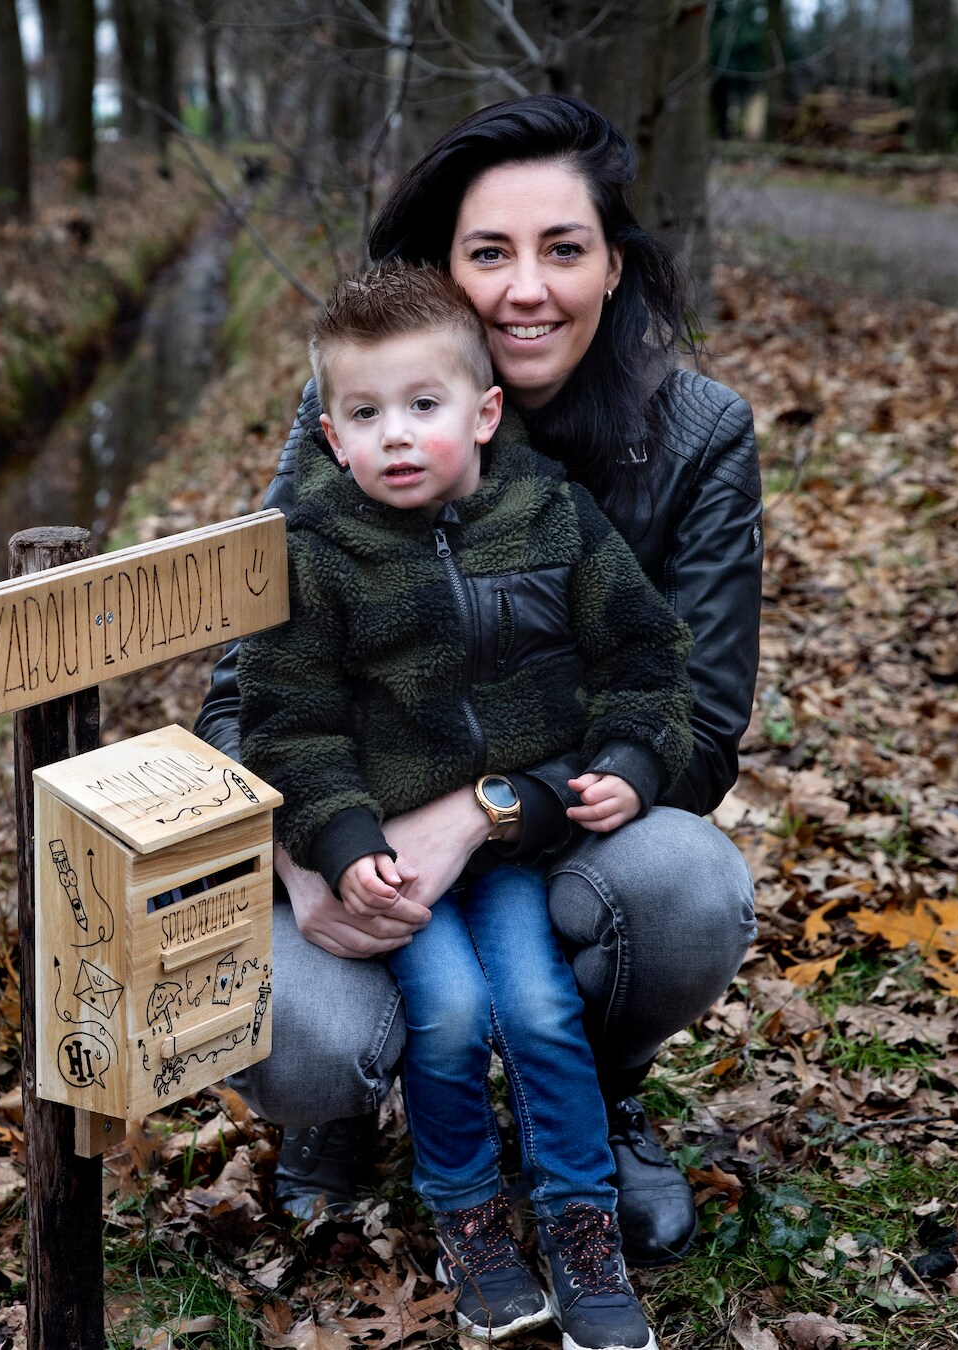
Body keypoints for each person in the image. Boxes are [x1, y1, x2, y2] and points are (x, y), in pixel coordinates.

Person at [194, 94, 762, 1266]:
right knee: (290, 1026)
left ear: (613, 266)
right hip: (367, 830)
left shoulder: (698, 436)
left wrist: (491, 809)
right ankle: (350, 1102)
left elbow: (701, 727)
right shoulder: (363, 414)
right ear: (446, 272)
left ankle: (598, 1090)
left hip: (568, 834)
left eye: (564, 249)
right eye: (490, 253)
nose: (526, 290)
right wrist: (304, 861)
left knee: (694, 886)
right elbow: (240, 695)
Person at [238, 261, 688, 1348]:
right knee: (445, 1013)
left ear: (484, 415)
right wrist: (342, 841)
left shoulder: (553, 518)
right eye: (365, 415)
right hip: (397, 860)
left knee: (537, 1009)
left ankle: (581, 1224)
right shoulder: (314, 556)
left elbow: (645, 654)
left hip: (520, 845)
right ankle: (469, 1221)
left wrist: (631, 755)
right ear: (331, 436)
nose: (396, 435)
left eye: (423, 406)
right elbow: (287, 727)